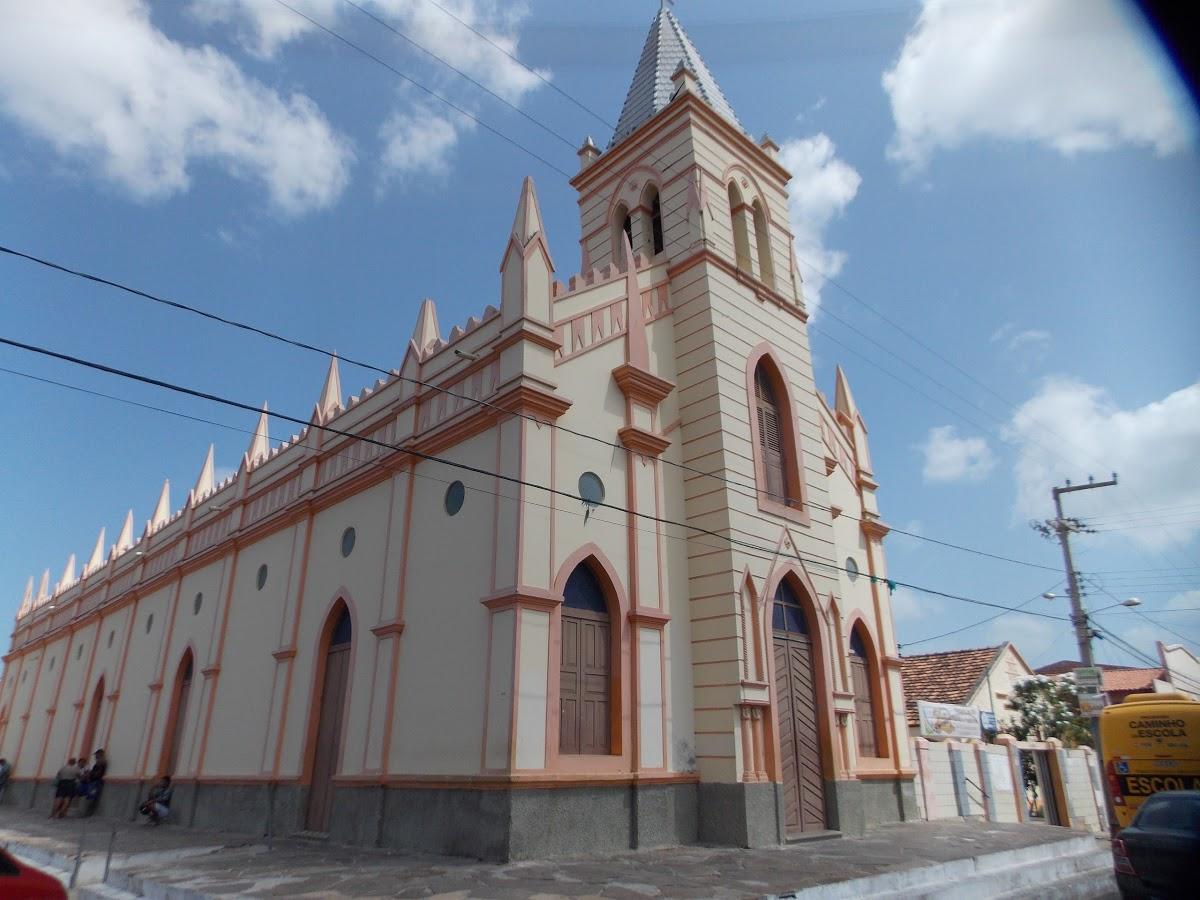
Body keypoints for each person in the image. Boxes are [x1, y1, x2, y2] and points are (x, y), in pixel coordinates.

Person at [81, 749, 106, 817]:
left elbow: (98, 772)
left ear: (100, 754)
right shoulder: (99, 762)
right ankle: (87, 812)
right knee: (90, 795)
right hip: (94, 781)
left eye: (96, 755)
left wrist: (91, 774)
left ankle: (88, 812)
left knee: (91, 795)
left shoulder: (101, 762)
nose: (95, 756)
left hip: (95, 781)